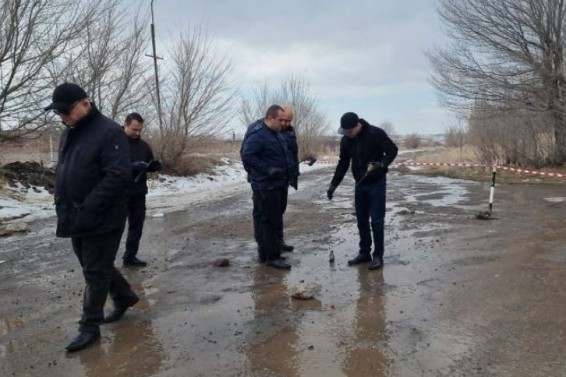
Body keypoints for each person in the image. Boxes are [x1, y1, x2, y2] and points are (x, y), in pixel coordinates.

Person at [45, 83, 139, 352]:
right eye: (59, 113)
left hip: (103, 217)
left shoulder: (109, 132)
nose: (62, 116)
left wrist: (88, 207)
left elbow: (118, 176)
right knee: (93, 265)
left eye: (65, 111)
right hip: (75, 214)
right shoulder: (70, 132)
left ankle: (89, 327)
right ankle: (124, 296)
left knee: (95, 272)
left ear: (85, 104)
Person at [327, 112, 398, 270]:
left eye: (350, 131)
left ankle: (378, 255)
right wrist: (333, 185)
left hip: (376, 183)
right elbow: (343, 164)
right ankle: (364, 252)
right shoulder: (346, 140)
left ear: (358, 125)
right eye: (345, 132)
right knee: (361, 220)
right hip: (360, 183)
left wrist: (382, 164)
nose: (347, 135)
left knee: (377, 221)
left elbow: (393, 150)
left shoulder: (375, 133)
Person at [241, 105, 294, 270]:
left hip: (277, 183)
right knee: (269, 220)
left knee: (273, 218)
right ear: (270, 118)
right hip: (265, 184)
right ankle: (272, 257)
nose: (283, 123)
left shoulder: (276, 133)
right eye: (280, 120)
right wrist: (267, 169)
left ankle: (267, 252)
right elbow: (247, 156)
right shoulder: (259, 134)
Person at [122, 112, 162, 267]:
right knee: (114, 228)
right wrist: (133, 166)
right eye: (134, 129)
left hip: (138, 192)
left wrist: (154, 166)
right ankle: (106, 260)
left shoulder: (144, 146)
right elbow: (110, 166)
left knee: (137, 226)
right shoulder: (115, 142)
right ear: (125, 125)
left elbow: (149, 163)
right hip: (119, 193)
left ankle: (130, 257)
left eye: (140, 130)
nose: (137, 133)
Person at [278, 106, 299, 252]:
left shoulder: (290, 132)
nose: (285, 123)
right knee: (268, 214)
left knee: (280, 210)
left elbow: (294, 153)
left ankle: (279, 241)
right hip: (269, 179)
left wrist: (295, 173)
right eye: (283, 120)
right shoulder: (266, 131)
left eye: (288, 120)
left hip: (284, 178)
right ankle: (268, 246)